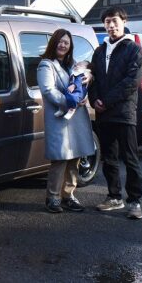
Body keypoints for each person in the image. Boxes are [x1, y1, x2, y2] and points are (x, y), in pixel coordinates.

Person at [88, 6, 142, 219]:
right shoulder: (99, 51)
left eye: (114, 21)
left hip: (124, 113)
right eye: (107, 22)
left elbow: (132, 82)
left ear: (123, 21)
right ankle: (114, 197)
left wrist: (106, 100)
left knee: (130, 159)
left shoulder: (134, 49)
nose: (111, 25)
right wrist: (94, 100)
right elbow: (92, 78)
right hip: (104, 113)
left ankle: (135, 202)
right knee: (109, 158)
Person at [37, 29, 95, 213]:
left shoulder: (73, 65)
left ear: (70, 47)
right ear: (53, 43)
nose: (63, 45)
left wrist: (87, 87)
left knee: (75, 158)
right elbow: (48, 90)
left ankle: (68, 195)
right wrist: (70, 102)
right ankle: (52, 197)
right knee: (60, 159)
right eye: (60, 41)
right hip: (60, 117)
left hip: (76, 118)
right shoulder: (46, 65)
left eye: (66, 43)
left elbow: (83, 81)